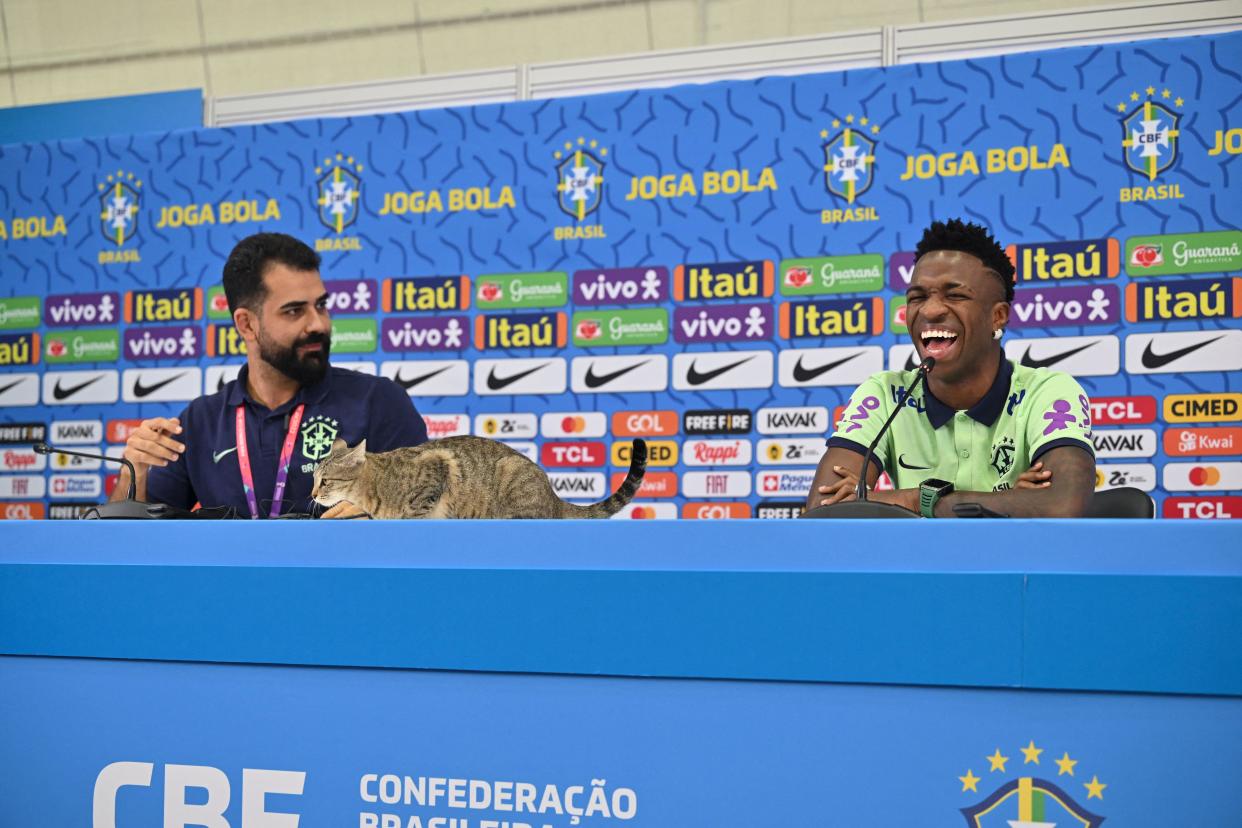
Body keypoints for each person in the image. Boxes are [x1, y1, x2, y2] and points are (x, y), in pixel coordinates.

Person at [112, 232, 428, 518]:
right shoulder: (200, 421)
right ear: (247, 324)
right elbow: (126, 544)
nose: (317, 323)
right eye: (294, 311)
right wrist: (133, 472)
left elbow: (426, 524)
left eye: (321, 305)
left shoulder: (378, 402)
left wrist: (378, 517)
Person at [807, 219, 1095, 518]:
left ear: (997, 316)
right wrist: (1008, 502)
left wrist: (917, 501)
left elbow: (1064, 506)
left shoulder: (1047, 392)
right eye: (917, 297)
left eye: (955, 295)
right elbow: (823, 512)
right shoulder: (886, 394)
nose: (930, 310)